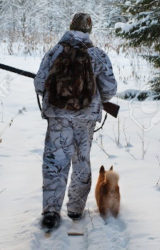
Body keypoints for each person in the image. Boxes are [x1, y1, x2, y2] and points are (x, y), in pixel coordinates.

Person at [34, 13, 117, 230]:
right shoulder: (97, 55)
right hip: (85, 119)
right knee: (81, 161)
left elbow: (39, 83)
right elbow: (109, 89)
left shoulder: (55, 52)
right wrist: (94, 98)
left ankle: (51, 212)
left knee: (55, 162)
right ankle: (75, 209)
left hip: (58, 118)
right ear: (89, 31)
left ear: (70, 26)